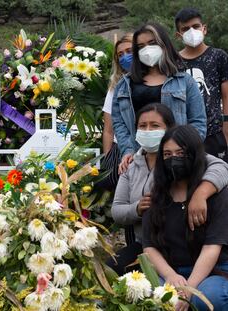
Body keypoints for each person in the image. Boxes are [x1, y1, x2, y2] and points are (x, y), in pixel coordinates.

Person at [110, 103, 228, 276]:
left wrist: (200, 194)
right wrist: (137, 208)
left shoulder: (185, 157)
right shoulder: (130, 166)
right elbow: (117, 210)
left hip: (190, 241)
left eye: (155, 126)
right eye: (142, 126)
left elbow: (221, 167)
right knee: (115, 269)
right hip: (148, 244)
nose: (148, 131)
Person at [143, 125, 228, 311]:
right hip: (171, 270)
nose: (173, 159)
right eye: (167, 154)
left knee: (209, 298)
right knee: (147, 295)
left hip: (213, 271)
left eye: (181, 153)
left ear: (194, 154)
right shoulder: (157, 193)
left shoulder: (216, 193)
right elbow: (149, 245)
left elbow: (212, 246)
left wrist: (189, 288)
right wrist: (170, 276)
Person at [111, 23, 206, 174]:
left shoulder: (185, 81)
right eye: (141, 46)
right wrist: (128, 151)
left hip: (177, 159)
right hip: (140, 159)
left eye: (152, 43)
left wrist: (184, 150)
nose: (147, 49)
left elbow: (198, 121)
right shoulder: (124, 86)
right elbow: (119, 124)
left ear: (164, 44)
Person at [175, 8, 228, 162]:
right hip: (183, 135)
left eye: (195, 26)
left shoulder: (219, 56)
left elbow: (226, 95)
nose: (191, 31)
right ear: (179, 35)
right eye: (185, 29)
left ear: (204, 28)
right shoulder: (173, 62)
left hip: (215, 132)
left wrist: (226, 126)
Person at [101, 33, 133, 190]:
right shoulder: (116, 87)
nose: (125, 57)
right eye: (120, 55)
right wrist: (108, 160)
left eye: (129, 51)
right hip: (121, 153)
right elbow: (108, 130)